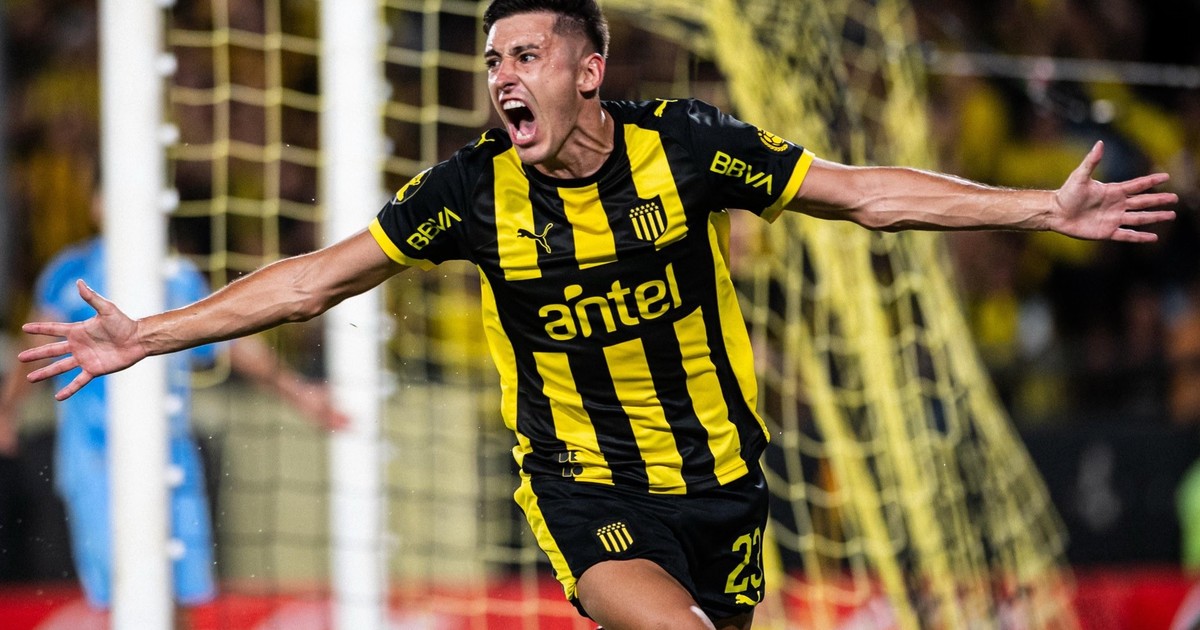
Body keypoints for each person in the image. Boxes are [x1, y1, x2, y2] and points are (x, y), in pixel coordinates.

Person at [16, 0, 1178, 628]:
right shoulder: (468, 190)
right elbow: (315, 279)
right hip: (586, 489)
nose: (502, 77)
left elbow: (863, 194)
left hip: (724, 483)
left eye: (526, 54)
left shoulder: (691, 146)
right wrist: (146, 335)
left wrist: (1041, 207)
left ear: (589, 68)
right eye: (491, 61)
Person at [0, 189, 347, 624]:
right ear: (96, 204)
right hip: (94, 460)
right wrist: (6, 411)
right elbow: (34, 346)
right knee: (118, 596)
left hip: (171, 458)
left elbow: (233, 343)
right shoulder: (71, 272)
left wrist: (299, 392)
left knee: (184, 595)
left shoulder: (178, 276)